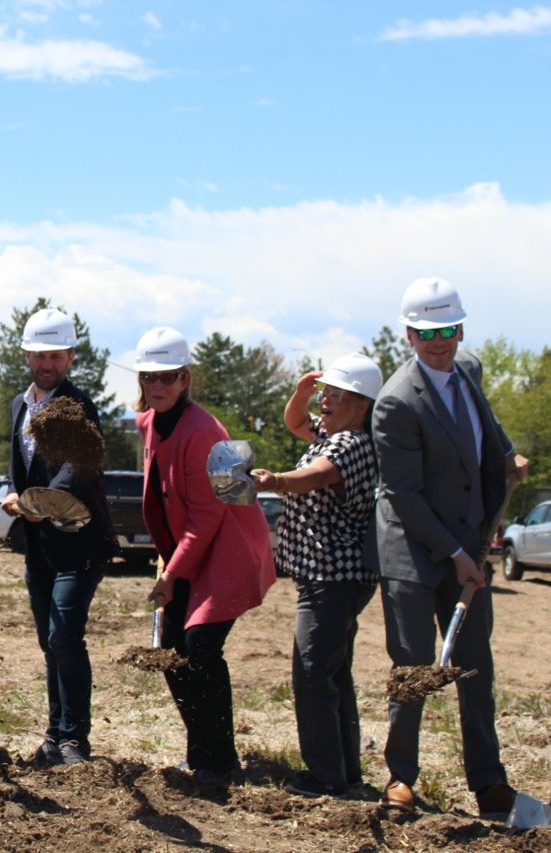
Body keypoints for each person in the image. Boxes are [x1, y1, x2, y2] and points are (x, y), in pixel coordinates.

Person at [373, 277, 528, 818]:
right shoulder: (396, 402)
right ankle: (400, 778)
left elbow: (485, 431)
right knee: (412, 668)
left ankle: (489, 783)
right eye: (426, 333)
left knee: (475, 667)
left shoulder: (470, 370)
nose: (438, 342)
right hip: (414, 553)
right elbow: (404, 496)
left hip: (467, 543)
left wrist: (507, 456)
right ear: (409, 335)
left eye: (447, 330)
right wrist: (457, 556)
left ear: (460, 329)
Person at [134, 326, 275, 785]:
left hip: (229, 548)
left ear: (185, 378)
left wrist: (171, 573)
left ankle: (219, 761)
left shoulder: (205, 432)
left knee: (201, 648)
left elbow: (207, 517)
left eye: (167, 376)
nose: (157, 385)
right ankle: (202, 753)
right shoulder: (149, 421)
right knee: (171, 653)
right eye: (149, 377)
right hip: (192, 549)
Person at [249, 353, 383, 797]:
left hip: (333, 578)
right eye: (326, 393)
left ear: (362, 405)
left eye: (337, 396)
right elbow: (294, 422)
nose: (326, 402)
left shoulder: (351, 444)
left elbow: (315, 476)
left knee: (311, 674)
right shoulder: (333, 433)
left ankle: (325, 775)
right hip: (332, 577)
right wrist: (301, 392)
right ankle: (344, 772)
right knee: (333, 674)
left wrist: (274, 481)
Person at [0, 308, 116, 765]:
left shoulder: (79, 405)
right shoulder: (19, 405)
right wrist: (16, 493)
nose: (47, 363)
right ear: (26, 356)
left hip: (79, 543)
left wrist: (40, 501)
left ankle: (74, 740)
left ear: (70, 357)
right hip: (40, 548)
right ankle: (54, 736)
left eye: (56, 355)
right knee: (50, 642)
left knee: (65, 637)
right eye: (39, 355)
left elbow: (79, 466)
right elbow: (20, 466)